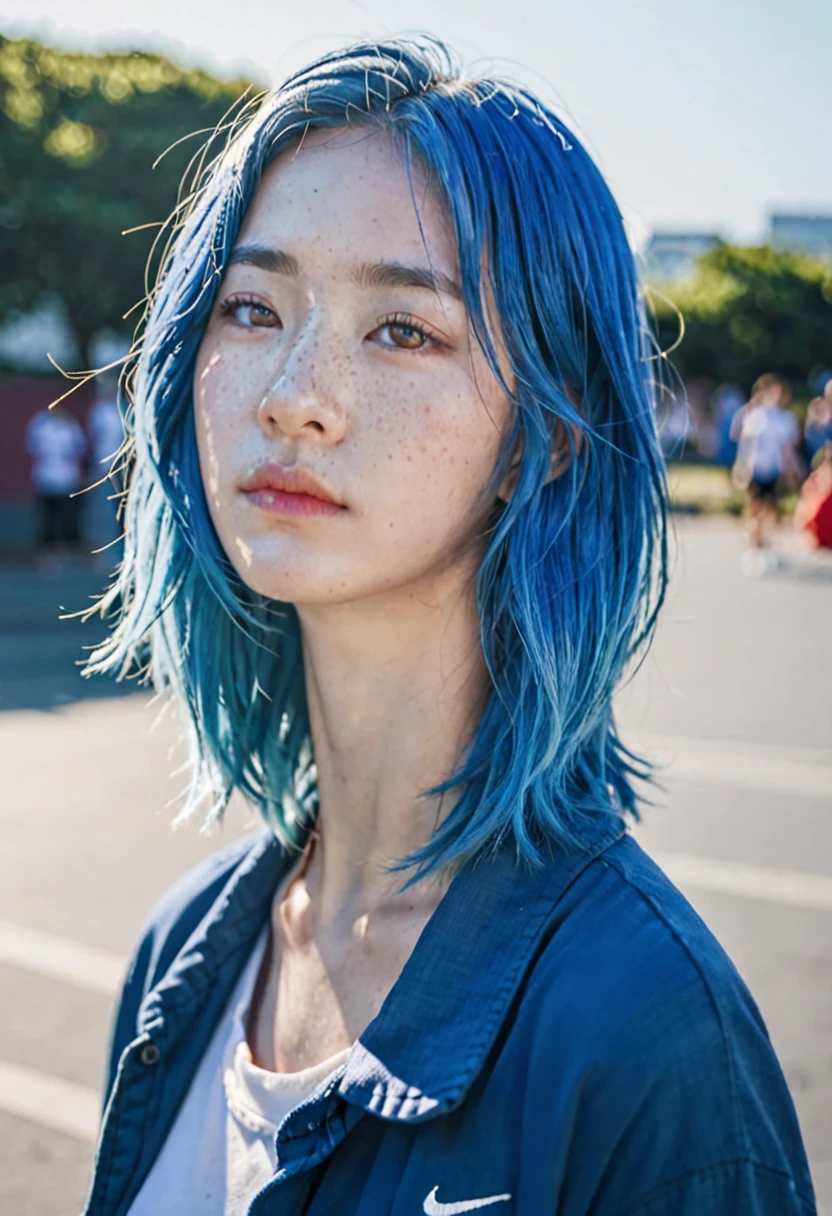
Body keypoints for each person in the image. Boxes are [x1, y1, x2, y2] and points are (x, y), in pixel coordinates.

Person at [82, 39, 815, 1216]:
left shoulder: (649, 1037)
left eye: (403, 330)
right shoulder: (184, 954)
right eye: (253, 306)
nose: (294, 391)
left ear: (549, 433)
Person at [730, 373, 801, 573]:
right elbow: (745, 445)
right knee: (755, 509)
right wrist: (741, 467)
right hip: (756, 470)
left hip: (774, 470)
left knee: (770, 510)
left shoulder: (785, 419)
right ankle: (753, 546)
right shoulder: (755, 415)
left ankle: (766, 546)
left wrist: (792, 470)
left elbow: (787, 448)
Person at [24, 403, 87, 566]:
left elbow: (80, 446)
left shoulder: (68, 426)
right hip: (47, 479)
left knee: (68, 517)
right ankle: (48, 552)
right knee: (49, 519)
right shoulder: (41, 426)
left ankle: (69, 550)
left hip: (66, 478)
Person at [85, 377, 125, 564]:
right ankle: (104, 553)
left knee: (121, 511)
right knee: (103, 512)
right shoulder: (99, 412)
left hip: (122, 468)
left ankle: (121, 553)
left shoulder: (121, 409)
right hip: (103, 469)